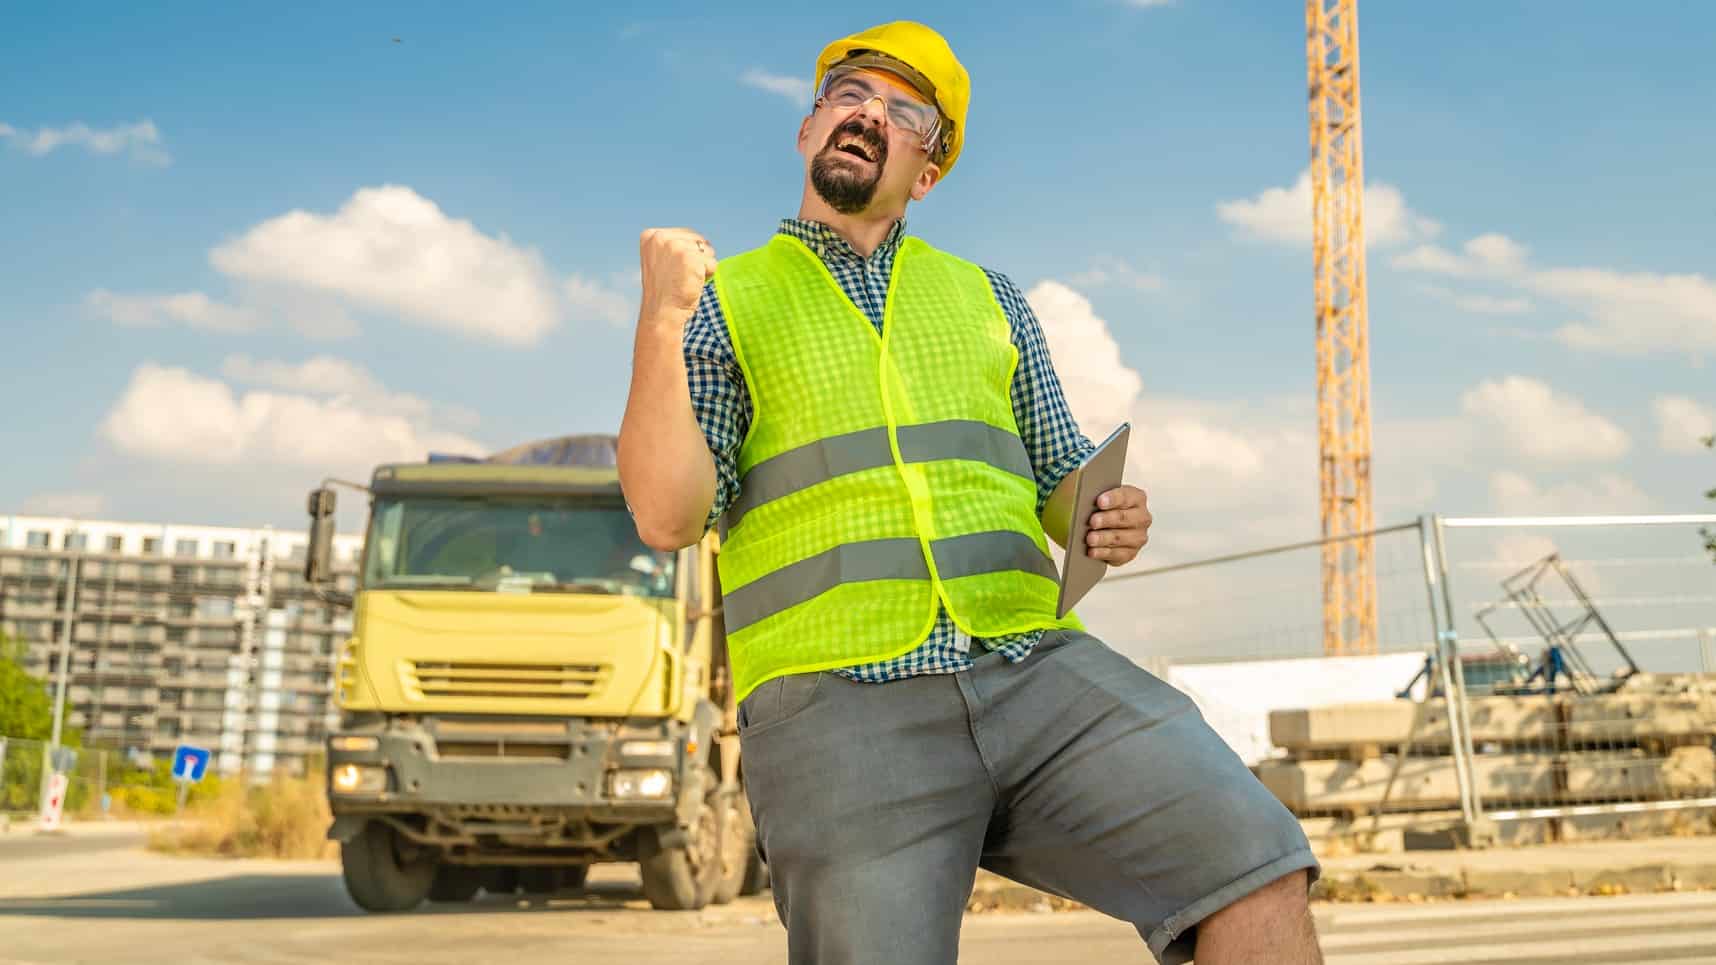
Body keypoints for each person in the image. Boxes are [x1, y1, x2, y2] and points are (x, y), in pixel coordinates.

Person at [618, 21, 1323, 965]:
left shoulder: (988, 298)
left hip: (1036, 669)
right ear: (807, 129)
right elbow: (667, 514)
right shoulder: (725, 301)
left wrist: (1101, 515)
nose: (866, 112)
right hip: (841, 706)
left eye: (903, 109)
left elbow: (1058, 476)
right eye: (845, 93)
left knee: (1253, 860)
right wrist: (662, 317)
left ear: (930, 168)